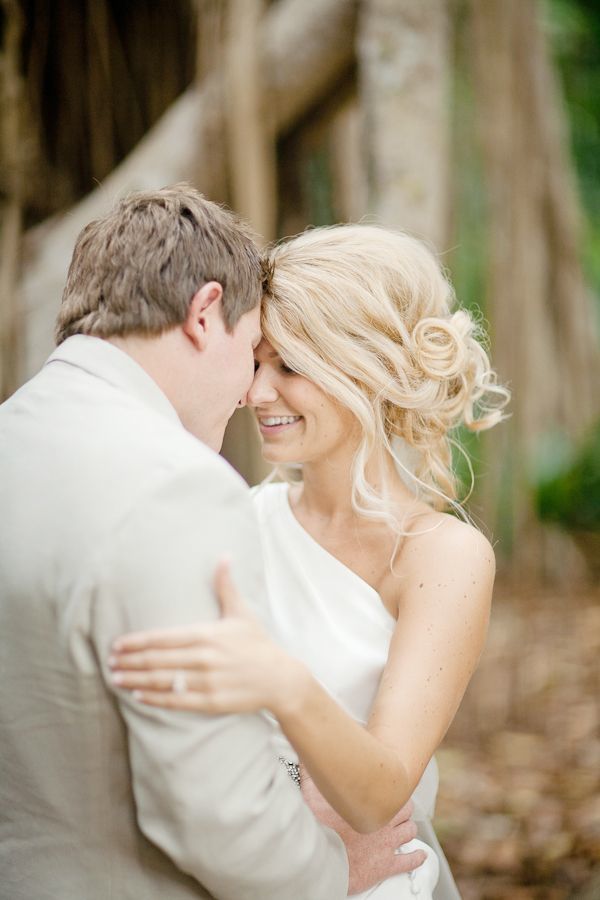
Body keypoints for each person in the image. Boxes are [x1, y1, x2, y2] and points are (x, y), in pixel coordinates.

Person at [0, 193, 423, 900]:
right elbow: (215, 809)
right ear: (204, 314)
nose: (248, 392)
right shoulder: (179, 488)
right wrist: (329, 871)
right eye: (252, 350)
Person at [109, 224, 510, 899]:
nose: (257, 394)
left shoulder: (443, 556)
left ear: (367, 370)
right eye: (257, 364)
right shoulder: (235, 518)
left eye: (290, 367)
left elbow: (382, 792)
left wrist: (280, 683)